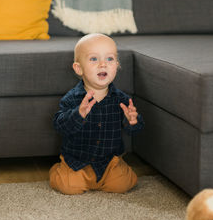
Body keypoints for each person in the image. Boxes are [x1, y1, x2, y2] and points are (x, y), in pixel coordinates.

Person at [49, 33, 144, 195]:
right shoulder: (72, 98)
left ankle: (111, 173)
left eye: (109, 59)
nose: (103, 65)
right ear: (79, 68)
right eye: (94, 59)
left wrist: (133, 121)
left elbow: (134, 131)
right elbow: (59, 125)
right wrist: (78, 114)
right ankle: (59, 169)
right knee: (70, 188)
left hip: (108, 162)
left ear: (117, 65)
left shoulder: (121, 99)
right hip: (77, 161)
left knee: (122, 185)